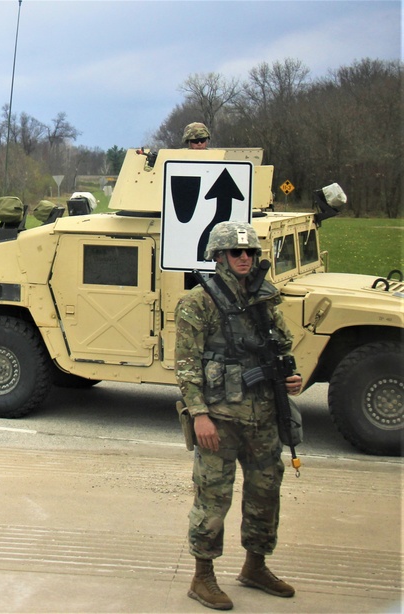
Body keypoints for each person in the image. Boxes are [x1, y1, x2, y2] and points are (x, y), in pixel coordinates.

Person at [175, 221, 302, 610]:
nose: (245, 258)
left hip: (263, 415)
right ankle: (203, 576)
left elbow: (281, 345)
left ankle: (255, 566)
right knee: (213, 499)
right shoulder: (199, 303)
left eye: (250, 252)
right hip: (219, 419)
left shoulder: (263, 298)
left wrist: (290, 377)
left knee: (266, 493)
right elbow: (186, 365)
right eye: (236, 252)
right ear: (219, 257)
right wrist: (199, 415)